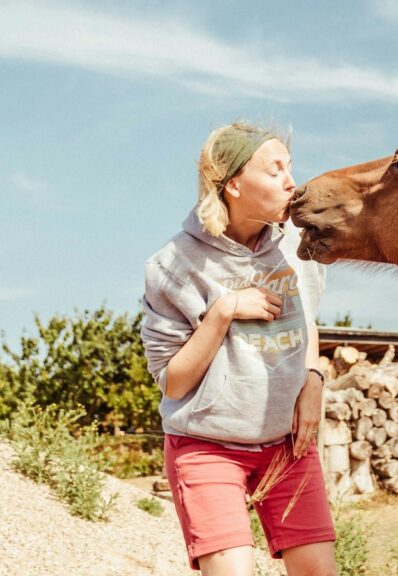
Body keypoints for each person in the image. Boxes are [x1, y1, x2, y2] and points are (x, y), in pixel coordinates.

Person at [140, 122, 337, 575]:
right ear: (233, 185)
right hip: (207, 445)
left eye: (290, 168)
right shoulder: (172, 265)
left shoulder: (295, 247)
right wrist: (223, 311)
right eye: (275, 171)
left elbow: (306, 319)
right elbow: (173, 380)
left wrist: (313, 379)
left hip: (289, 446)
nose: (292, 182)